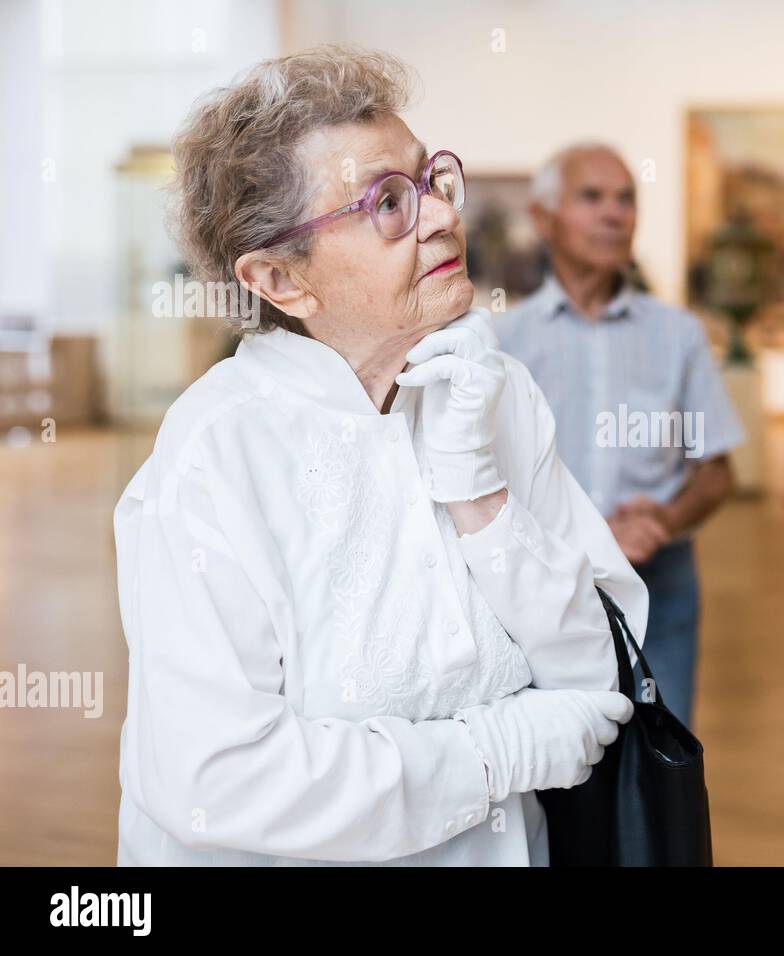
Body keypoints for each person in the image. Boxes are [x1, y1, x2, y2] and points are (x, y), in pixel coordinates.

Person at [112, 46, 647, 866]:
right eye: (386, 203)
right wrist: (495, 751)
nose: (439, 215)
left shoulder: (498, 392)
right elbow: (216, 782)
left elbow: (598, 680)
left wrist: (477, 490)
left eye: (431, 178)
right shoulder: (217, 453)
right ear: (282, 280)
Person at [496, 143, 744, 731]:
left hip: (662, 586)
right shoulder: (506, 341)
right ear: (543, 217)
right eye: (592, 197)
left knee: (663, 768)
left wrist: (666, 518)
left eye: (626, 199)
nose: (614, 214)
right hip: (544, 590)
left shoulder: (678, 336)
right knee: (557, 770)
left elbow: (717, 470)